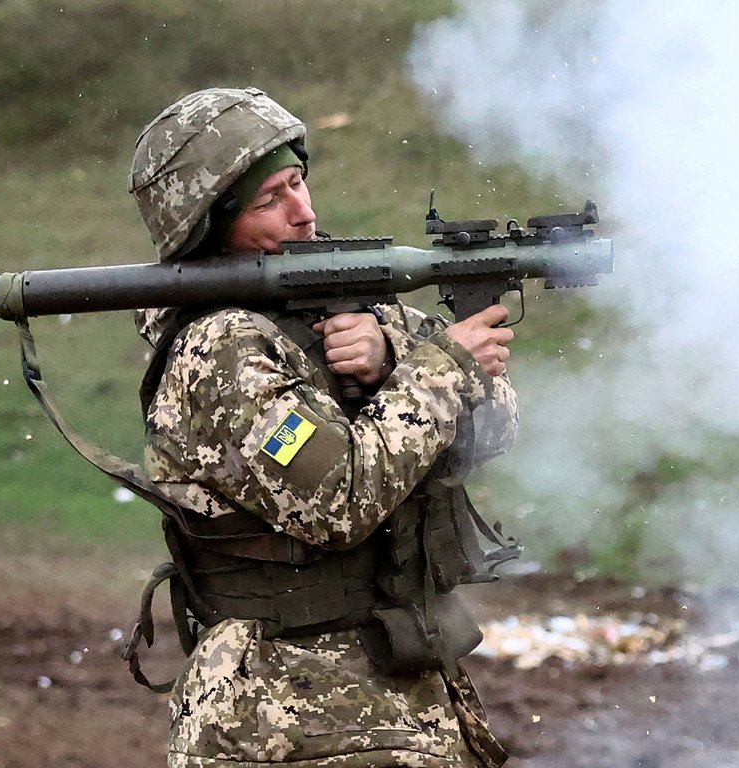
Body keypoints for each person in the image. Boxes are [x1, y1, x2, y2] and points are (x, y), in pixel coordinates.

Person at [126, 87, 520, 768]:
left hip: (387, 696)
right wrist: (437, 369)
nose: (304, 214)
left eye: (299, 182)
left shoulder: (336, 299)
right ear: (210, 223)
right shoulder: (217, 351)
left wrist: (392, 359)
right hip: (285, 721)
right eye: (269, 199)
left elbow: (496, 426)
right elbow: (336, 501)